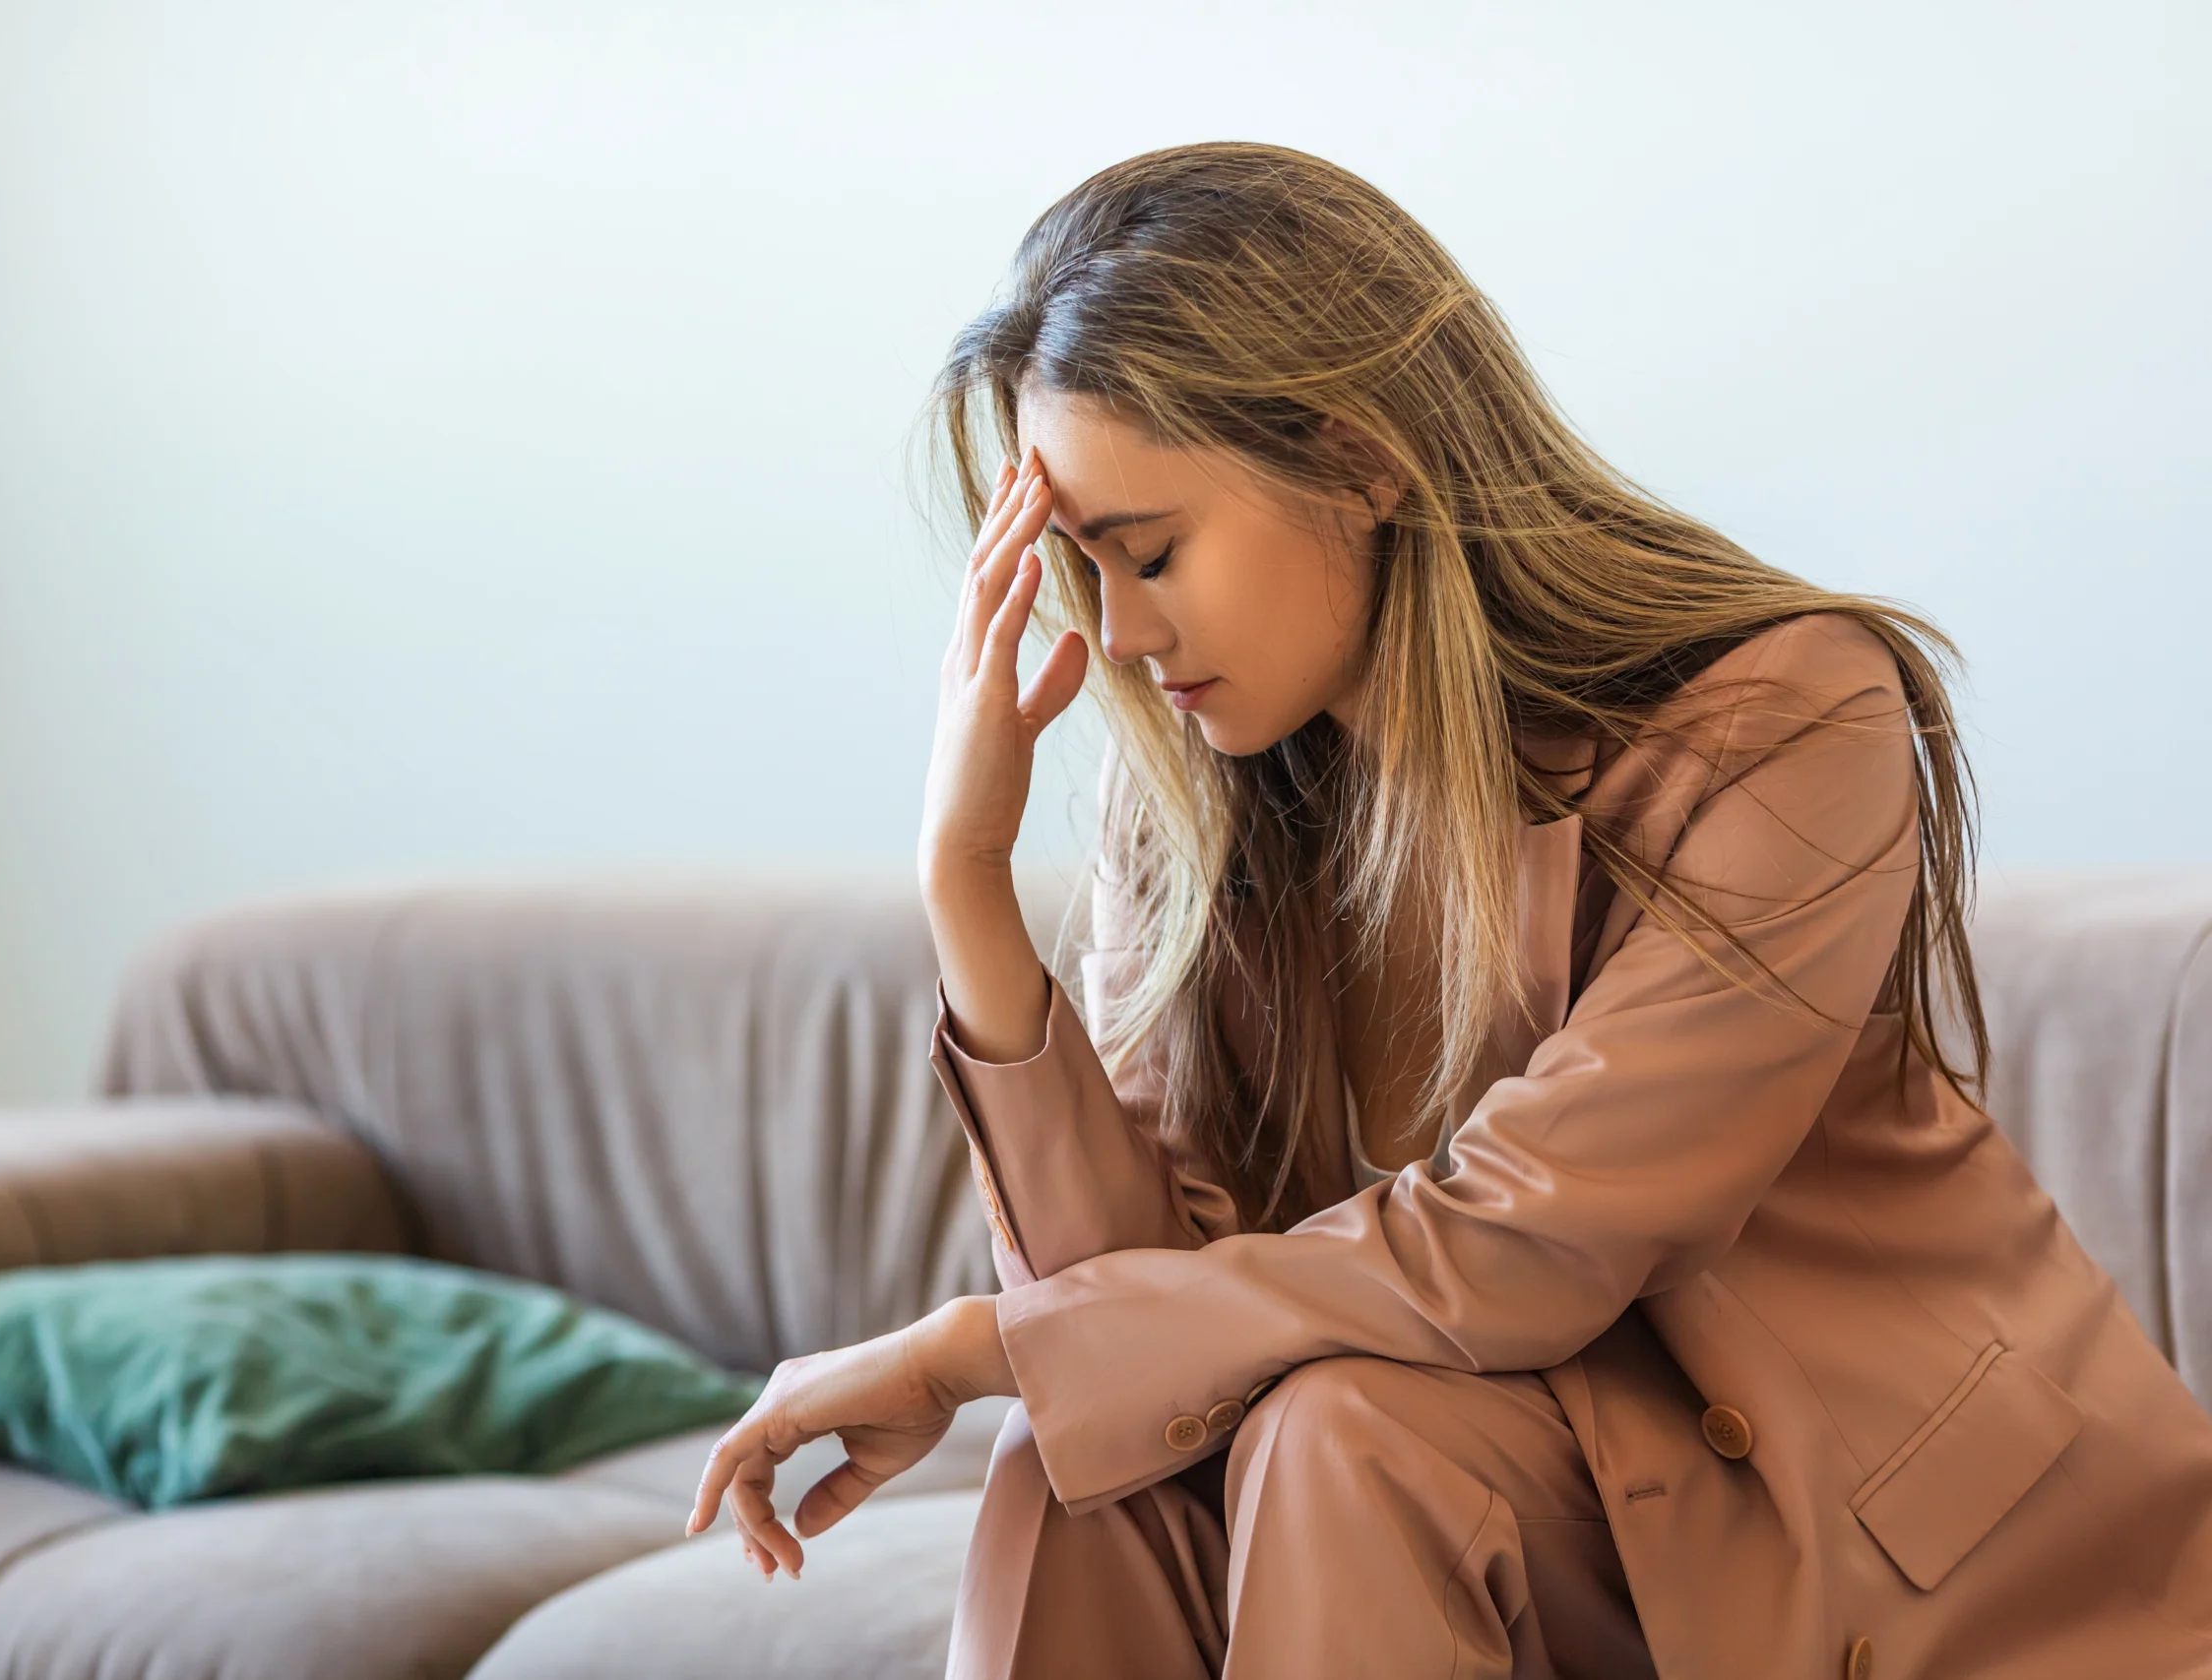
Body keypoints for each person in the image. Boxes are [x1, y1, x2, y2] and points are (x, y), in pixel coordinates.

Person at [687, 142, 2212, 1678]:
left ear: (1362, 460)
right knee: (1098, 1472)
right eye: (1084, 573)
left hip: (1894, 1544)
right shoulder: (1200, 798)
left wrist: (975, 1351)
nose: (1126, 633)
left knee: (1336, 1431)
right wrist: (968, 884)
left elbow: (1538, 1235)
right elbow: (1126, 1327)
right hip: (1509, 1501)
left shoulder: (1792, 716)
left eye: (1150, 553)